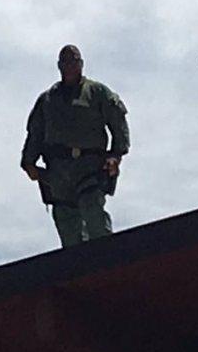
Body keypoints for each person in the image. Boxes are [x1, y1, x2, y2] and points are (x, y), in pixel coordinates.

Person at [21, 45, 130, 247]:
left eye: (74, 62)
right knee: (67, 225)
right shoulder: (47, 100)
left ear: (81, 64)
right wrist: (29, 162)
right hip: (58, 173)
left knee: (94, 215)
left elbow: (118, 122)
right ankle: (78, 270)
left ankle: (106, 260)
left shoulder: (96, 92)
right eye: (65, 62)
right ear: (59, 66)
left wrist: (116, 155)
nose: (69, 66)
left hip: (89, 166)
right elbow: (35, 133)